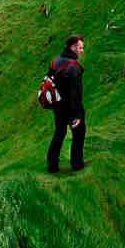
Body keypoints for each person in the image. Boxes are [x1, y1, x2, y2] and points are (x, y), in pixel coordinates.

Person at [46, 34, 87, 173]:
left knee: (60, 132)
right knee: (79, 132)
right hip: (70, 107)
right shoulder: (74, 67)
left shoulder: (55, 61)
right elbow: (75, 93)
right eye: (80, 47)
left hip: (57, 105)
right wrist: (78, 115)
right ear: (73, 47)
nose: (82, 50)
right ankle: (77, 164)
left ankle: (52, 165)